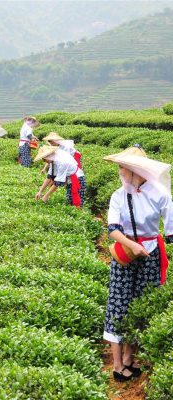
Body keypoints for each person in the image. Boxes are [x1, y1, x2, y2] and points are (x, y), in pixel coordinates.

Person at [102, 144, 173, 382]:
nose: (120, 172)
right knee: (119, 303)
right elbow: (113, 229)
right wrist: (131, 245)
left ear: (136, 170)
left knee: (141, 304)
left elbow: (171, 229)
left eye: (123, 167)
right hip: (125, 253)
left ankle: (129, 358)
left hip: (150, 255)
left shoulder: (160, 194)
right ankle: (117, 364)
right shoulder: (118, 195)